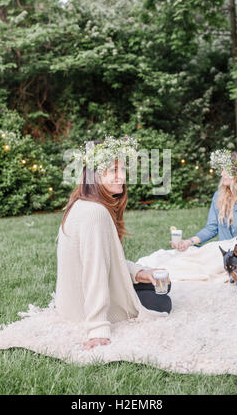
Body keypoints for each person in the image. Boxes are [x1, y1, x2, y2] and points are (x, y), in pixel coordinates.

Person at [55, 136, 171, 351]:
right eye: (112, 171)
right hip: (82, 308)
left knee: (160, 283)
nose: (121, 177)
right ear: (94, 176)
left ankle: (143, 278)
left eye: (122, 170)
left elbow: (106, 258)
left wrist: (139, 273)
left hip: (72, 302)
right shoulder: (95, 212)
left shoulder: (83, 204)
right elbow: (94, 269)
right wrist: (98, 328)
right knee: (162, 302)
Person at [171, 150, 237, 252]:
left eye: (226, 170)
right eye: (222, 169)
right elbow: (211, 228)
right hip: (225, 252)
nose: (222, 173)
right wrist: (188, 242)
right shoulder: (219, 195)